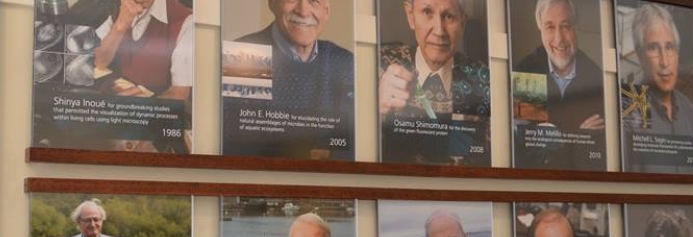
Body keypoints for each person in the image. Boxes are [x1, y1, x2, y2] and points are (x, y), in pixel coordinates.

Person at [378, 0, 491, 165]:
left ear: (463, 23)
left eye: (449, 16)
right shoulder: (378, 65)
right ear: (410, 16)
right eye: (427, 12)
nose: (439, 31)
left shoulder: (484, 80)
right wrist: (375, 108)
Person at [513, 0, 605, 170]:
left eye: (565, 26)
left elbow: (598, 153)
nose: (559, 39)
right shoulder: (527, 73)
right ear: (540, 27)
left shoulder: (597, 78)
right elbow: (532, 151)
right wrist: (579, 136)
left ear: (576, 28)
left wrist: (556, 137)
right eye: (550, 27)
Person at [235, 0, 354, 113]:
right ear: (271, 3)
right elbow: (234, 128)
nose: (303, 12)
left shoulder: (344, 63)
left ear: (326, 11)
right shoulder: (242, 57)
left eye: (314, 1)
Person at [621, 3, 693, 174]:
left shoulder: (688, 108)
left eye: (670, 47)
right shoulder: (633, 101)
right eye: (653, 48)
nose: (664, 61)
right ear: (640, 55)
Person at [94, 0, 194, 102]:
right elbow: (99, 62)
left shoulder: (185, 22)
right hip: (112, 95)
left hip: (148, 110)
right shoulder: (122, 7)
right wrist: (120, 26)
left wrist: (143, 105)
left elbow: (179, 96)